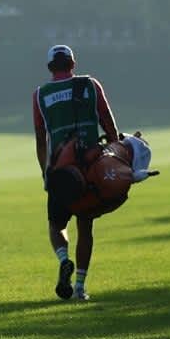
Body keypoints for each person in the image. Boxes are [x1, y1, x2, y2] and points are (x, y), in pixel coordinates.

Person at [32, 44, 121, 301]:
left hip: (60, 168)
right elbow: (107, 121)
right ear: (73, 63)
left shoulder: (40, 95)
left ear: (50, 67)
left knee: (56, 224)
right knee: (85, 226)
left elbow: (41, 139)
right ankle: (80, 287)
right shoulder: (90, 85)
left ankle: (63, 259)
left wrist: (45, 172)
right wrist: (115, 151)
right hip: (90, 166)